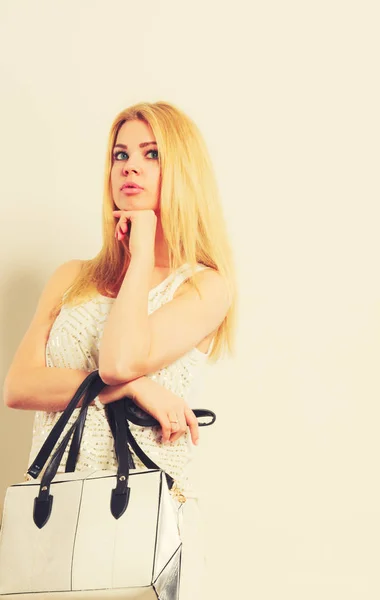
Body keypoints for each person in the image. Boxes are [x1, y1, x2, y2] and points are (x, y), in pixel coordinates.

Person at [3, 100, 237, 600]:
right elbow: (19, 387)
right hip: (57, 509)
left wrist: (140, 253)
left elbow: (118, 360)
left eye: (151, 154)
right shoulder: (71, 277)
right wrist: (135, 389)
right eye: (120, 154)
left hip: (145, 523)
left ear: (181, 171)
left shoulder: (204, 286)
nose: (129, 165)